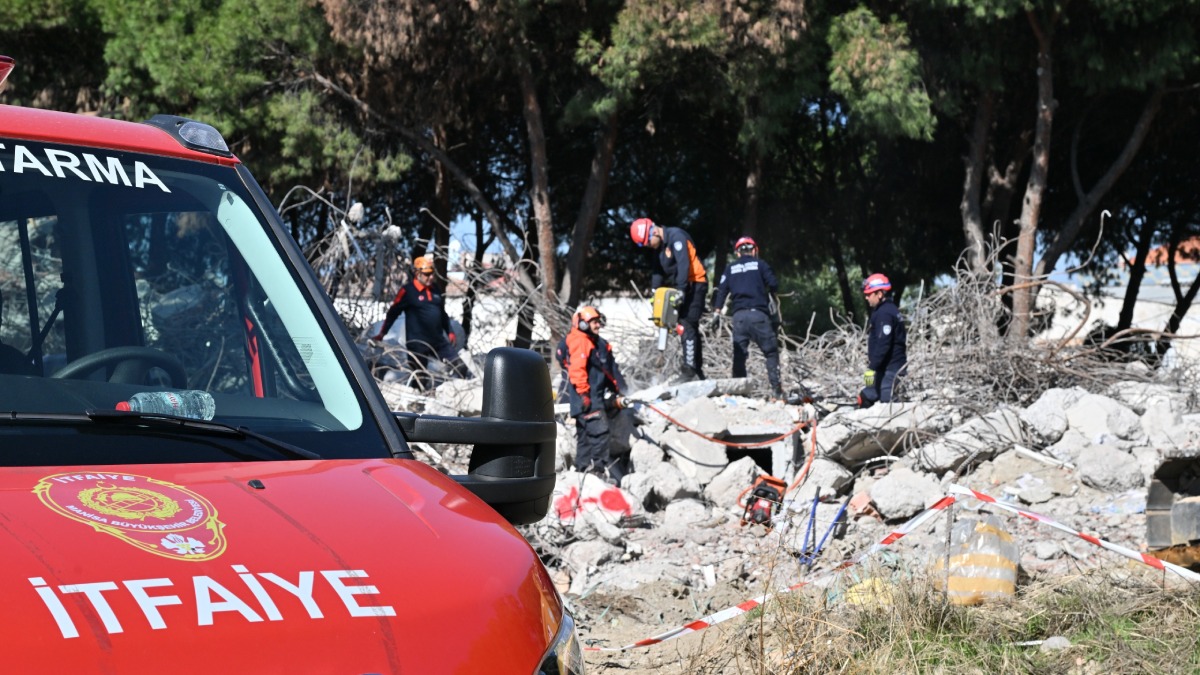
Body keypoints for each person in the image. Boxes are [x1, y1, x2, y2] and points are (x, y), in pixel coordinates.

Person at [373, 255, 471, 390]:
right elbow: (392, 314)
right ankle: (417, 404)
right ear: (417, 273)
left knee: (460, 367)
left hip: (438, 341)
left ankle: (457, 394)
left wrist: (450, 332)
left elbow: (442, 313)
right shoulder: (407, 291)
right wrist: (382, 334)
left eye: (432, 274)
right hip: (417, 343)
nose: (430, 277)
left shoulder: (435, 289)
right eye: (426, 274)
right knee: (420, 379)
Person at [629, 217, 708, 381]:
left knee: (687, 324)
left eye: (648, 242)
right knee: (685, 326)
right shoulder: (659, 248)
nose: (649, 246)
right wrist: (654, 293)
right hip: (682, 286)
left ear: (654, 231)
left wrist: (680, 290)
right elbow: (657, 272)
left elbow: (683, 265)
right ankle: (697, 371)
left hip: (695, 283)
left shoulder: (676, 237)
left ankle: (689, 370)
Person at [712, 236, 783, 399]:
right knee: (771, 352)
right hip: (759, 315)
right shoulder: (760, 264)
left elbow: (721, 291)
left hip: (739, 318)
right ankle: (777, 391)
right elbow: (774, 284)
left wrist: (717, 312)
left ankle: (739, 393)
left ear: (737, 253)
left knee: (739, 355)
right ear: (754, 250)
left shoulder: (730, 268)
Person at [566, 305, 630, 485]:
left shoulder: (590, 341)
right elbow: (577, 370)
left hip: (584, 399)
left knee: (585, 438)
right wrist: (584, 393)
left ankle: (582, 471)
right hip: (588, 398)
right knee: (600, 435)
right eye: (593, 322)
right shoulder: (581, 341)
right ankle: (597, 471)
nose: (597, 325)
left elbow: (607, 371)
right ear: (583, 324)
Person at [859, 273, 907, 407]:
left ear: (879, 294)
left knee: (888, 401)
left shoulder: (885, 313)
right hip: (880, 368)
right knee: (866, 396)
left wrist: (872, 367)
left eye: (869, 294)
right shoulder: (884, 310)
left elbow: (884, 343)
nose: (866, 297)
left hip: (891, 368)